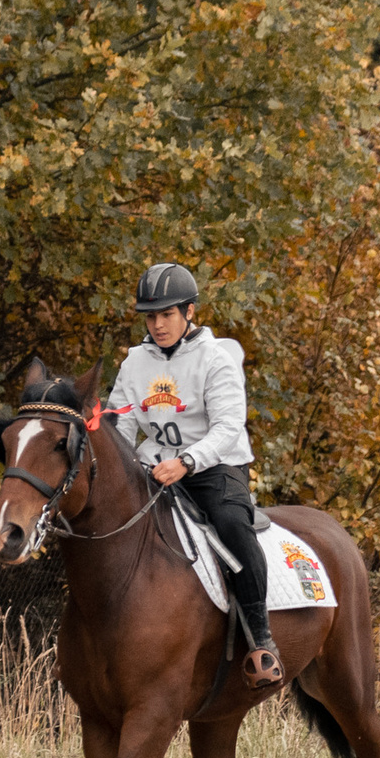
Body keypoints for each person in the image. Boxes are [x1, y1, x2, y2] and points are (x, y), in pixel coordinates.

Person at [107, 262, 283, 688]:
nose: (158, 324)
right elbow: (121, 424)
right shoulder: (134, 363)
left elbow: (228, 428)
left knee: (231, 525)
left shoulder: (215, 359)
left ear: (188, 312)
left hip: (214, 467)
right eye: (151, 316)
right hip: (154, 468)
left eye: (166, 314)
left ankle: (260, 638)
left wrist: (186, 462)